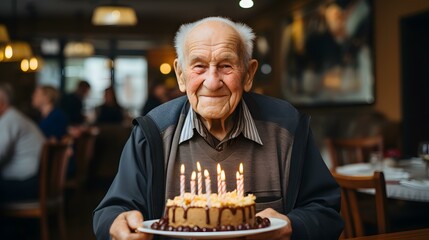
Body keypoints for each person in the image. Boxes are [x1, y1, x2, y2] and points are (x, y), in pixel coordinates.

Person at [93, 17, 343, 239]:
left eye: (226, 65)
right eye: (199, 66)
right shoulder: (151, 132)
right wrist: (117, 223)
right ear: (181, 75)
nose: (212, 83)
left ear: (248, 74)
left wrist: (293, 226)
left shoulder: (288, 127)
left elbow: (326, 212)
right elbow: (111, 211)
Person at [0, 83, 45, 203]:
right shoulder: (14, 116)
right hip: (36, 181)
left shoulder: (9, 120)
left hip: (28, 183)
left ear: (1, 103)